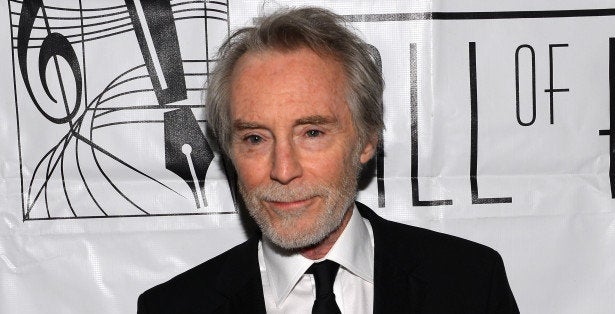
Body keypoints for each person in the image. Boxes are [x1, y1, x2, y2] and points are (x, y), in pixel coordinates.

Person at [138, 7, 519, 314]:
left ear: (367, 139)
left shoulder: (469, 285)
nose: (283, 170)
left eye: (313, 133)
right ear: (229, 151)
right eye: (255, 138)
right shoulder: (173, 308)